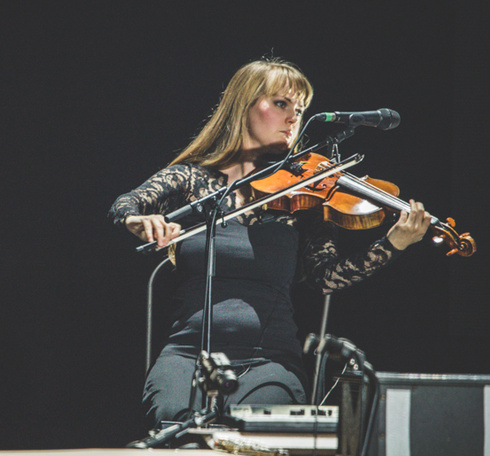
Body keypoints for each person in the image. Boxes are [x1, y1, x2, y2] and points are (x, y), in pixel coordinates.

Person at [109, 57, 431, 428]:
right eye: (281, 104)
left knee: (258, 432)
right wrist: (138, 220)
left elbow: (325, 278)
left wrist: (394, 243)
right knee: (174, 425)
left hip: (270, 361)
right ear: (242, 105)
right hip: (188, 354)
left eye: (300, 109)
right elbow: (127, 204)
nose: (294, 118)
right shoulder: (191, 180)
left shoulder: (306, 195)